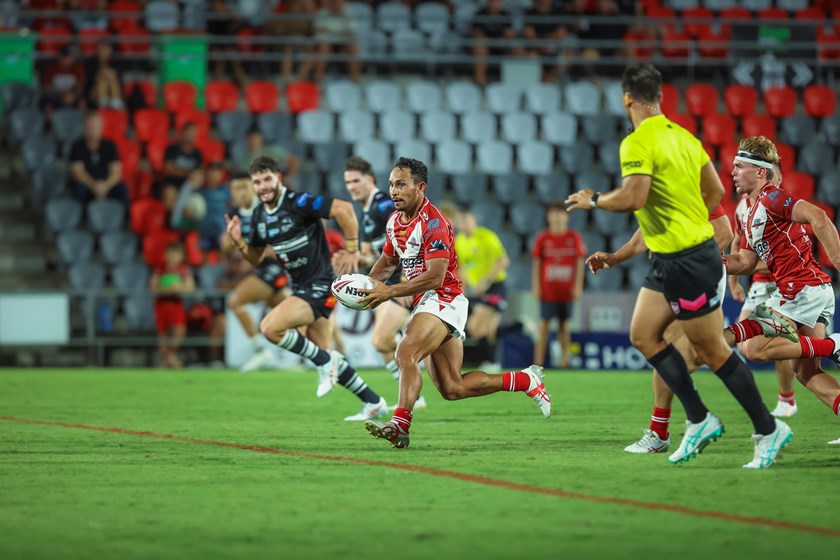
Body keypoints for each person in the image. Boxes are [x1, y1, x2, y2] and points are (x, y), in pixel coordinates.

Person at [565, 64, 791, 469]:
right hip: (668, 259)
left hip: (689, 259)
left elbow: (633, 198)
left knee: (711, 351)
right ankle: (700, 419)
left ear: (627, 98)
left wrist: (593, 200)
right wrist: (676, 223)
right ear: (660, 97)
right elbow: (716, 191)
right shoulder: (685, 137)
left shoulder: (637, 141)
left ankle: (768, 427)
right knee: (643, 335)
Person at [358, 157, 551, 449]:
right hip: (426, 302)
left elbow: (435, 277)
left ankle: (400, 424)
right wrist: (366, 286)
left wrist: (389, 292)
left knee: (405, 353)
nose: (394, 191)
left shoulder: (435, 222)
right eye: (391, 185)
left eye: (401, 184)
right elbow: (387, 261)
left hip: (444, 298)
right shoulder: (395, 221)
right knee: (452, 388)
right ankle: (525, 380)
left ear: (420, 187)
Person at [225, 156, 389, 421]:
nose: (262, 186)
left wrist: (351, 250)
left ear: (278, 177)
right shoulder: (258, 216)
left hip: (321, 284)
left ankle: (326, 363)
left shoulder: (299, 202)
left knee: (270, 328)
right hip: (301, 286)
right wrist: (239, 244)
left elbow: (344, 209)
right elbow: (256, 257)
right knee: (324, 352)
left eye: (267, 179)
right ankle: (373, 402)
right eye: (257, 182)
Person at [586, 200, 734, 453]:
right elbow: (646, 232)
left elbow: (724, 232)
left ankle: (675, 427)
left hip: (695, 275)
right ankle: (666, 429)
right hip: (675, 271)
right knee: (668, 350)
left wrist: (690, 262)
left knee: (681, 355)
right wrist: (616, 258)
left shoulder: (691, 186)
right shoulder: (658, 190)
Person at [722, 137, 840, 441]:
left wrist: (839, 260)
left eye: (740, 166)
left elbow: (818, 216)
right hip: (811, 290)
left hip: (800, 290)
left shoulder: (773, 198)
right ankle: (830, 348)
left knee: (753, 347)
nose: (733, 172)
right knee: (807, 372)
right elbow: (745, 262)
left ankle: (832, 346)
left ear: (761, 172)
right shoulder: (749, 212)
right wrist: (709, 261)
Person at [340, 156, 427, 409]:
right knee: (383, 344)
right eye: (348, 182)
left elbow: (411, 232)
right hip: (388, 285)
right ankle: (414, 397)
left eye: (356, 181)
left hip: (403, 284)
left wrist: (406, 280)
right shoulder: (366, 211)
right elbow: (372, 255)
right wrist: (352, 259)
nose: (351, 187)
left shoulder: (384, 205)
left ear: (370, 180)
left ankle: (414, 388)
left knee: (381, 341)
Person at [728, 163, 797, 419]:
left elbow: (790, 253)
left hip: (785, 283)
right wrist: (734, 283)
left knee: (778, 341)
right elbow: (737, 241)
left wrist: (750, 266)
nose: (772, 182)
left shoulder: (784, 206)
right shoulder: (742, 208)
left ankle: (786, 399)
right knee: (743, 344)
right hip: (759, 284)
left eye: (775, 177)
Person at [222, 172, 292, 373]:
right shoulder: (234, 214)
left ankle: (259, 349)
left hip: (275, 268)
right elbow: (226, 246)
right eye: (236, 188)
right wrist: (231, 242)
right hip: (261, 269)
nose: (241, 192)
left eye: (245, 186)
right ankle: (327, 354)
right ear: (231, 192)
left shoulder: (267, 209)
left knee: (235, 302)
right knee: (297, 314)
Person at [530, 203, 586, 369]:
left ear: (567, 216)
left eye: (560, 213)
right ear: (548, 217)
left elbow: (580, 263)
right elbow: (537, 263)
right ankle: (538, 362)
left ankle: (565, 360)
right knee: (544, 325)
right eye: (553, 213)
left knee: (564, 325)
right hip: (548, 290)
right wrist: (536, 286)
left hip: (566, 290)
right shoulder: (542, 238)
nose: (557, 217)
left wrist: (578, 286)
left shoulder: (574, 237)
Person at [454, 206, 510, 372]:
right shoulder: (459, 241)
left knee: (474, 326)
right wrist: (463, 288)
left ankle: (491, 361)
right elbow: (462, 268)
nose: (464, 224)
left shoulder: (486, 236)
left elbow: (503, 260)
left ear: (474, 221)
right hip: (479, 290)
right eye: (461, 221)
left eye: (467, 220)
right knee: (488, 330)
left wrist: (485, 281)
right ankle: (519, 327)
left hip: (495, 287)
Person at [67, 111, 129, 211]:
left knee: (122, 188)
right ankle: (81, 218)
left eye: (95, 127)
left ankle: (123, 218)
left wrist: (105, 186)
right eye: (90, 127)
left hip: (105, 184)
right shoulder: (77, 146)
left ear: (101, 128)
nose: (93, 130)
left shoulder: (110, 146)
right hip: (87, 184)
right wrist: (94, 186)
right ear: (84, 128)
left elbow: (116, 172)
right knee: (79, 188)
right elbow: (77, 172)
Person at [149, 242, 196, 369]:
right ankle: (166, 361)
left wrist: (178, 288)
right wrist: (165, 290)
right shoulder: (160, 269)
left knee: (180, 331)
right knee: (163, 335)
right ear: (165, 255)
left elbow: (191, 287)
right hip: (161, 305)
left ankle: (170, 356)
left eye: (176, 254)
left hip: (176, 305)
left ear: (181, 256)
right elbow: (152, 287)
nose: (173, 257)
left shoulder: (183, 270)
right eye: (170, 254)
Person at [311, 0, 361, 83]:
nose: (336, 4)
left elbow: (351, 32)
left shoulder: (349, 12)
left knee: (354, 49)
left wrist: (330, 32)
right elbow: (319, 31)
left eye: (338, 2)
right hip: (327, 43)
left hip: (343, 43)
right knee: (324, 48)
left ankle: (354, 80)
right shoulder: (323, 12)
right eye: (333, 2)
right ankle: (318, 80)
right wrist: (339, 33)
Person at [470, 0, 516, 86]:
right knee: (479, 47)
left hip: (502, 45)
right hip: (486, 45)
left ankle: (512, 84)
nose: (494, 3)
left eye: (496, 1)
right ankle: (480, 83)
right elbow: (476, 33)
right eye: (492, 1)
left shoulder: (505, 15)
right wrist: (492, 42)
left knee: (516, 49)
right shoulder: (480, 14)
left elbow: (511, 34)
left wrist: (502, 39)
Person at [162, 123, 203, 211]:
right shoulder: (172, 149)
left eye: (193, 134)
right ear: (183, 133)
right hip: (173, 182)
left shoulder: (197, 154)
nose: (191, 136)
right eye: (189, 133)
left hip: (190, 184)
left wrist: (197, 176)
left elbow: (200, 172)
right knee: (170, 193)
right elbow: (169, 169)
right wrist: (188, 173)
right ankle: (171, 218)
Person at [235, 129, 300, 183]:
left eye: (255, 138)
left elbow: (293, 161)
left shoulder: (272, 150)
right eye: (250, 139)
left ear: (261, 138)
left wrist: (287, 177)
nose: (253, 142)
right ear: (246, 141)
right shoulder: (243, 161)